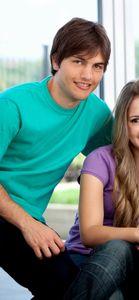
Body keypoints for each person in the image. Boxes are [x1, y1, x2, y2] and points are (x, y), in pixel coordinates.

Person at [0, 17, 112, 299]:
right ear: (55, 61)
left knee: (69, 284)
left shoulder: (96, 114)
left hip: (27, 217)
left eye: (97, 66)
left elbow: (121, 158)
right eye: (78, 61)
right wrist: (28, 224)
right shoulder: (13, 105)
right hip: (12, 214)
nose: (88, 75)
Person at [64, 79, 139, 299]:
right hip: (88, 259)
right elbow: (90, 233)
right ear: (124, 123)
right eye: (136, 120)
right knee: (116, 266)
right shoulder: (100, 160)